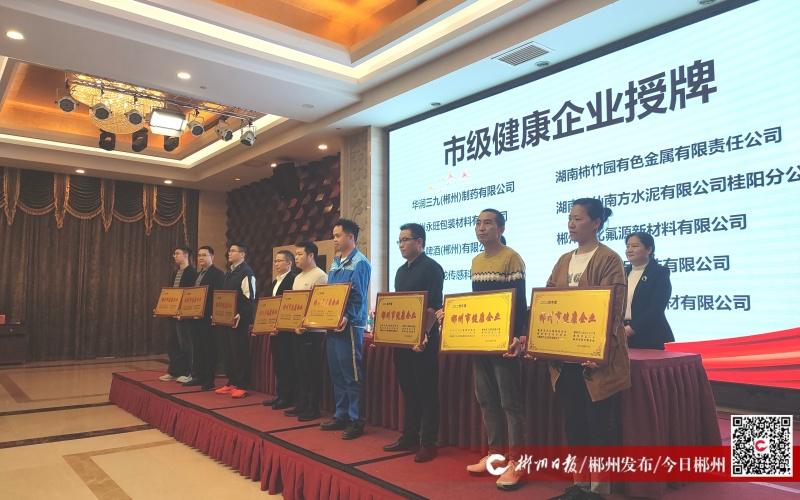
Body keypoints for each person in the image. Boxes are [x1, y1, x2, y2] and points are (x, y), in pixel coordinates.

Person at [436, 209, 528, 491]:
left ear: (501, 228)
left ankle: (517, 462)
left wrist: (518, 338)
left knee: (510, 402)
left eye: (487, 223)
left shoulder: (512, 258)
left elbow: (518, 303)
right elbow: (477, 305)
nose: (481, 227)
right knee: (486, 399)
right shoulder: (476, 261)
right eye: (477, 223)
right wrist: (453, 315)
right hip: (480, 342)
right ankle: (496, 455)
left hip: (504, 344)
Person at [545, 198, 631, 500]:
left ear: (596, 223)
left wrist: (597, 351)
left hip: (596, 363)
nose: (571, 224)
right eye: (570, 218)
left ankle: (599, 490)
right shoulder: (563, 259)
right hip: (566, 360)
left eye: (578, 218)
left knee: (599, 427)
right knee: (575, 424)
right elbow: (548, 302)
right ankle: (579, 484)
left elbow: (613, 309)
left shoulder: (609, 259)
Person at [382, 223, 444, 463]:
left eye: (405, 240)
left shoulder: (432, 268)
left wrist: (424, 335)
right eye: (399, 241)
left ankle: (428, 442)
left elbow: (434, 306)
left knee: (427, 391)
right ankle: (409, 436)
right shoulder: (400, 271)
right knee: (409, 390)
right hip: (403, 340)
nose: (401, 245)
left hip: (424, 340)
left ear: (419, 242)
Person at [319, 219, 371, 440]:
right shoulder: (335, 262)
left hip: (350, 325)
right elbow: (330, 294)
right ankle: (340, 414)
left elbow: (358, 295)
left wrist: (347, 316)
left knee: (351, 373)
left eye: (338, 235)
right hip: (332, 323)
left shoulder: (360, 262)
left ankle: (356, 419)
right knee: (337, 372)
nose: (334, 239)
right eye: (333, 235)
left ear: (350, 236)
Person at [287, 241, 328, 421]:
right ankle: (302, 403)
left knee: (312, 371)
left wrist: (306, 323)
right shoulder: (297, 277)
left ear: (311, 255)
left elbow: (320, 305)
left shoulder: (320, 276)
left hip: (314, 332)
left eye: (299, 254)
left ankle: (313, 407)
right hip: (298, 330)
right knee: (300, 369)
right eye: (295, 254)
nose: (296, 258)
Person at [215, 243, 256, 398]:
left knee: (239, 351)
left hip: (239, 320)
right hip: (226, 319)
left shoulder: (247, 272)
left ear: (243, 254)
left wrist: (241, 314)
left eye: (233, 251)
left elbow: (250, 298)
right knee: (227, 351)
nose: (229, 253)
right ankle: (231, 381)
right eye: (229, 251)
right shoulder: (229, 272)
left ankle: (242, 385)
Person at [183, 246, 225, 390]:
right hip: (195, 318)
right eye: (199, 255)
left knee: (208, 349)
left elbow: (218, 297)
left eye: (204, 255)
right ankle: (198, 376)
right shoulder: (198, 274)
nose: (201, 258)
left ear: (212, 257)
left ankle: (209, 379)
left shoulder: (218, 274)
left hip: (207, 318)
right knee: (197, 348)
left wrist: (208, 312)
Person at [624, 232, 674, 350]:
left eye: (635, 246)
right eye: (627, 246)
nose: (629, 250)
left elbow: (656, 308)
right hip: (623, 335)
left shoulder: (660, 273)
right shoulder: (621, 272)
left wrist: (631, 329)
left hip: (650, 336)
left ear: (649, 249)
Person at [261, 250, 298, 410]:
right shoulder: (275, 281)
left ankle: (287, 397)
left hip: (286, 329)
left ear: (289, 263)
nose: (276, 264)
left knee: (286, 363)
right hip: (274, 328)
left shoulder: (293, 279)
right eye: (275, 261)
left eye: (279, 261)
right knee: (278, 364)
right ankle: (280, 394)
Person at [159, 246, 197, 382]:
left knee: (185, 344)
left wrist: (184, 311)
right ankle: (174, 371)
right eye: (174, 253)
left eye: (177, 253)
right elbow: (171, 293)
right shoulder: (175, 272)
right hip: (173, 314)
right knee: (172, 343)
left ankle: (187, 372)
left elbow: (192, 295)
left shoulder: (192, 273)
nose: (174, 256)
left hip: (184, 315)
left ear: (186, 255)